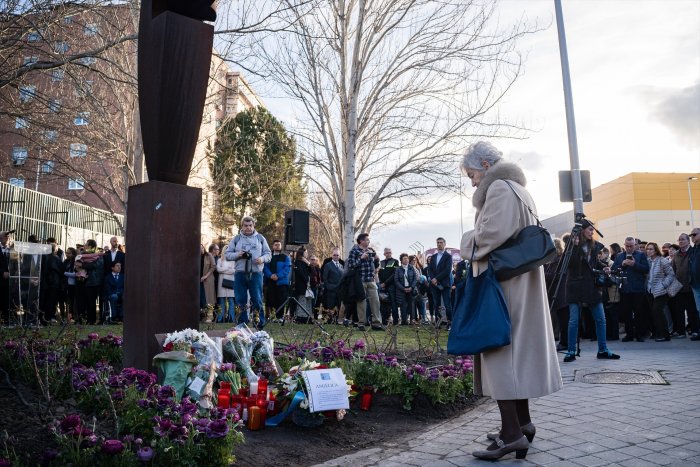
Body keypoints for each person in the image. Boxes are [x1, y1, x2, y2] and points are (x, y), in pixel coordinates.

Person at [459, 141, 562, 461]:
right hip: (518, 283)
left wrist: (465, 241)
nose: (472, 181)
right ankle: (523, 424)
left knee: (501, 353)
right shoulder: (518, 189)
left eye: (473, 174)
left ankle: (511, 434)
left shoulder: (501, 189)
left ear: (487, 165)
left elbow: (492, 235)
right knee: (515, 354)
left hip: (505, 288)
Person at [563, 219, 620, 362]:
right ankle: (571, 351)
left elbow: (593, 263)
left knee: (601, 319)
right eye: (589, 229)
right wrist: (575, 246)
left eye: (592, 230)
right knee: (574, 321)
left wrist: (603, 267)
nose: (592, 232)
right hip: (575, 286)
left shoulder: (593, 246)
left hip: (590, 286)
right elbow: (569, 264)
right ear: (582, 230)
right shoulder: (572, 245)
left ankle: (603, 349)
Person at [225, 216, 271, 327]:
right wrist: (238, 254)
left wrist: (262, 259)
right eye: (246, 226)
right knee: (241, 299)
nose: (248, 228)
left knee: (257, 299)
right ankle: (242, 324)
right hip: (240, 273)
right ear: (242, 226)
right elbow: (227, 255)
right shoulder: (236, 239)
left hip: (256, 274)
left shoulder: (260, 238)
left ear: (253, 225)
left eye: (250, 225)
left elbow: (268, 254)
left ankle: (259, 323)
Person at [613, 236, 651, 341]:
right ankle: (629, 334)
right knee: (626, 312)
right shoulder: (619, 256)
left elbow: (646, 269)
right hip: (625, 289)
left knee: (639, 312)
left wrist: (634, 264)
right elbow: (614, 270)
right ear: (624, 245)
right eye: (627, 246)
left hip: (638, 289)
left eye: (631, 246)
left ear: (635, 245)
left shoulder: (641, 255)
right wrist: (622, 264)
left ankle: (639, 334)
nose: (629, 248)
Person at [346, 233, 383, 331]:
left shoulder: (370, 250)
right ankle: (361, 323)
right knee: (361, 303)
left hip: (371, 280)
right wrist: (360, 258)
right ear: (361, 241)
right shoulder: (354, 251)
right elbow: (351, 265)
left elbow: (375, 265)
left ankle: (376, 323)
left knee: (376, 301)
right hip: (360, 281)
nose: (369, 241)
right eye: (367, 240)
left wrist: (377, 260)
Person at [645, 242, 675, 341]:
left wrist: (663, 285)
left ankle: (665, 335)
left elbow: (671, 275)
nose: (649, 251)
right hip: (650, 290)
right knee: (655, 313)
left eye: (651, 249)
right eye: (648, 249)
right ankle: (659, 333)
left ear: (656, 250)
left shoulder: (662, 261)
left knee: (657, 311)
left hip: (661, 291)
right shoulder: (648, 261)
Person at [671, 232, 699, 339]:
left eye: (683, 239)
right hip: (679, 287)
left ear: (688, 241)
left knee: (692, 311)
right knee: (679, 311)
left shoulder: (693, 252)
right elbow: (673, 269)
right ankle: (681, 332)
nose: (681, 241)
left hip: (691, 286)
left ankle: (695, 330)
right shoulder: (676, 254)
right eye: (679, 240)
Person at [263, 240, 291, 322]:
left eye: (279, 245)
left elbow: (287, 269)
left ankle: (280, 317)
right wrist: (270, 275)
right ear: (273, 246)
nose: (277, 246)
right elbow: (265, 267)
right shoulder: (269, 257)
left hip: (281, 282)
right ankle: (272, 317)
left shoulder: (285, 257)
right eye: (276, 245)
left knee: (281, 299)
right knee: (271, 299)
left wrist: (278, 276)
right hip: (270, 282)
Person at [428, 237, 453, 327]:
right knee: (436, 304)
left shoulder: (448, 256)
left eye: (441, 242)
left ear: (444, 244)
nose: (439, 244)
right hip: (434, 285)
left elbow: (447, 270)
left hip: (445, 284)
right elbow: (430, 269)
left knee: (447, 305)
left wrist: (436, 278)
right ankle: (438, 323)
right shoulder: (434, 257)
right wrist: (432, 279)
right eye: (438, 242)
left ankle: (449, 323)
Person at [289, 248, 312, 323]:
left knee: (306, 302)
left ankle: (306, 317)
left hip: (305, 285)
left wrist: (308, 263)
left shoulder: (305, 262)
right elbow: (301, 273)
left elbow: (311, 270)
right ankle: (300, 317)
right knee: (301, 301)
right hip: (300, 285)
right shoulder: (298, 262)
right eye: (306, 252)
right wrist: (307, 281)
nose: (307, 254)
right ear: (302, 253)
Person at [394, 253, 417, 325]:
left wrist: (411, 287)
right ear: (401, 260)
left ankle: (412, 320)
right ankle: (404, 321)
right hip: (402, 290)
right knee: (403, 306)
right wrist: (403, 288)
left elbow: (415, 279)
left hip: (411, 289)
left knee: (411, 305)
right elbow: (396, 280)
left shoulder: (411, 268)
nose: (406, 260)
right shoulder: (398, 269)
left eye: (407, 258)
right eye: (404, 258)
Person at [321, 248, 344, 321]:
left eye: (337, 255)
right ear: (332, 255)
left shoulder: (341, 266)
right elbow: (325, 278)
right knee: (330, 306)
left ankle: (336, 320)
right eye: (334, 255)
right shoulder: (328, 265)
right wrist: (329, 287)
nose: (336, 256)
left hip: (339, 290)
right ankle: (329, 320)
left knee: (338, 305)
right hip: (331, 290)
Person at [378, 248, 400, 325]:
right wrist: (381, 283)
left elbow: (394, 274)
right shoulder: (382, 262)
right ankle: (385, 321)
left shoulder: (395, 261)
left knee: (393, 304)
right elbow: (379, 273)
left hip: (392, 286)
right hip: (383, 286)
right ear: (384, 254)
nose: (388, 254)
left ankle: (395, 321)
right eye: (387, 253)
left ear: (391, 253)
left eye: (389, 252)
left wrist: (386, 283)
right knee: (383, 304)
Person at [216, 247, 236, 323]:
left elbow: (234, 270)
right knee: (222, 301)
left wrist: (223, 269)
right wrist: (228, 269)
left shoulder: (234, 261)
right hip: (221, 283)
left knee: (231, 300)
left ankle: (231, 318)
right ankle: (220, 318)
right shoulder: (219, 260)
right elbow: (218, 269)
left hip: (231, 281)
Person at [199, 244, 216, 322]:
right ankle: (201, 317)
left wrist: (205, 276)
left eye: (202, 247)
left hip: (207, 280)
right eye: (199, 248)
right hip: (198, 281)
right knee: (200, 298)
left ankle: (209, 317)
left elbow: (213, 267)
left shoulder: (208, 255)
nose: (201, 249)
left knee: (208, 298)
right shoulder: (194, 255)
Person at [689, 227, 700, 341]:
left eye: (694, 234)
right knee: (699, 309)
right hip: (695, 284)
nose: (692, 237)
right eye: (691, 235)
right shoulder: (694, 249)